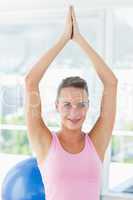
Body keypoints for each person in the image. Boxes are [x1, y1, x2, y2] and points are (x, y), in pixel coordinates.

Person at [25, 6, 118, 200]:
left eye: (81, 104)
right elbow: (30, 81)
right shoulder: (45, 142)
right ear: (56, 106)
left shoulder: (96, 143)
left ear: (88, 107)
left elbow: (111, 83)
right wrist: (64, 39)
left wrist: (79, 39)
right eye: (67, 104)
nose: (74, 111)